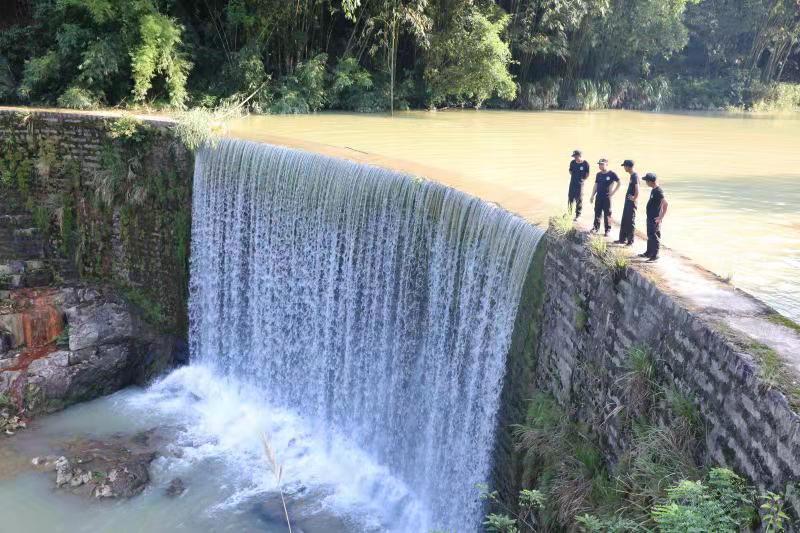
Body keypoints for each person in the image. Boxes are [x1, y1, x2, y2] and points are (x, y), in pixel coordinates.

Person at [639, 173, 668, 262]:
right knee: (650, 235)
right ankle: (649, 252)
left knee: (654, 236)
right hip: (650, 217)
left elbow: (665, 203)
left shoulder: (658, 191)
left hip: (655, 218)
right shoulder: (653, 189)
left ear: (650, 182)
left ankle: (655, 255)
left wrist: (660, 217)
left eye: (646, 181)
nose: (646, 183)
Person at [589, 158, 620, 236]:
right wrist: (592, 195)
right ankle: (595, 228)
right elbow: (596, 185)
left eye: (602, 164)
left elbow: (619, 182)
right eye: (599, 164)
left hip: (607, 198)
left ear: (607, 164)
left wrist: (613, 193)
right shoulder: (598, 174)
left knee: (607, 214)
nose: (600, 166)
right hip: (598, 197)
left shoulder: (612, 174)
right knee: (597, 213)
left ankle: (607, 230)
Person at [615, 160, 639, 245]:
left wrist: (634, 198)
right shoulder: (632, 176)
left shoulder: (635, 176)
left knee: (630, 221)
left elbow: (637, 189)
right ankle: (622, 239)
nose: (624, 168)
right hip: (628, 201)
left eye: (625, 166)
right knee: (625, 219)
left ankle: (630, 241)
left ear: (629, 167)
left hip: (631, 202)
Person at [567, 150, 590, 220]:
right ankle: (569, 214)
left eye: (576, 156)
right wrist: (574, 177)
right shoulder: (572, 162)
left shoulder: (585, 163)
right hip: (572, 183)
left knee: (579, 200)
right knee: (570, 198)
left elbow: (587, 174)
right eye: (574, 156)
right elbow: (570, 171)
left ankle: (578, 215)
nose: (575, 158)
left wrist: (582, 180)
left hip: (580, 185)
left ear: (580, 156)